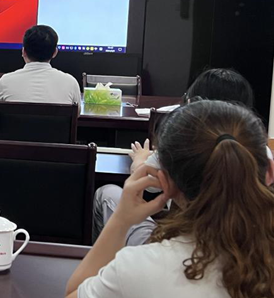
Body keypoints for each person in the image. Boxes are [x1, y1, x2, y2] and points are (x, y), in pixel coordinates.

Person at [65, 100, 274, 298]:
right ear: (269, 172)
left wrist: (121, 219)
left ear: (165, 182)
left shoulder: (145, 267)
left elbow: (76, 297)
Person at [93, 67, 269, 245]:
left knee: (106, 193)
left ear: (192, 104)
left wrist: (139, 160)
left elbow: (146, 182)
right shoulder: (260, 149)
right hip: (246, 244)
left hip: (178, 243)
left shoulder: (182, 142)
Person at [0, 25, 80, 106]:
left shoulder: (5, 82)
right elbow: (76, 113)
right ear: (55, 53)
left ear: (23, 52)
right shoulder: (71, 83)